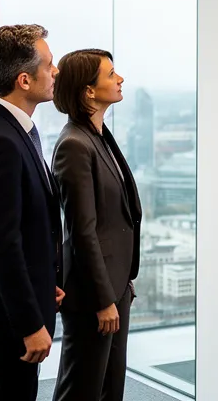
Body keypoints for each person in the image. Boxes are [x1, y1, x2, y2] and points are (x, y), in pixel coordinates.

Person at [0, 24, 65, 401]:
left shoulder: (6, 130)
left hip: (11, 309)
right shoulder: (0, 142)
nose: (56, 72)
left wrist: (40, 283)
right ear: (24, 79)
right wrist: (28, 322)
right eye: (49, 65)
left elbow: (24, 228)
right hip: (7, 320)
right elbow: (2, 246)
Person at [50, 49, 142, 401]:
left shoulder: (97, 136)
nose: (120, 80)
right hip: (93, 295)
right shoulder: (74, 144)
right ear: (89, 90)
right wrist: (104, 299)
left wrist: (121, 289)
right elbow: (81, 231)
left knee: (109, 389)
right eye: (111, 74)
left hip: (115, 287)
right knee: (81, 390)